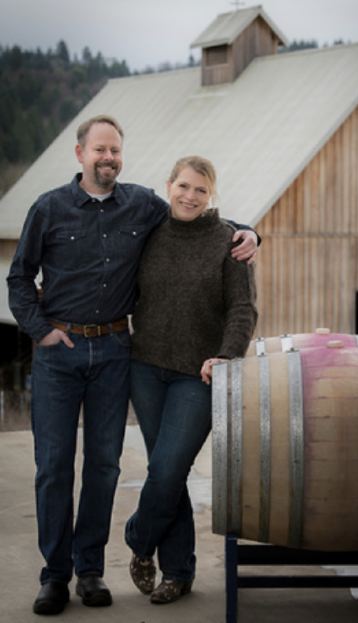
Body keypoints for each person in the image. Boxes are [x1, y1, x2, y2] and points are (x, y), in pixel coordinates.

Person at [7, 115, 259, 616]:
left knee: (106, 466)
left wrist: (251, 232)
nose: (108, 158)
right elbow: (19, 277)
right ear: (80, 153)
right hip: (63, 354)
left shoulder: (141, 205)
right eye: (99, 149)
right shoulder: (49, 208)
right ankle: (54, 576)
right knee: (53, 467)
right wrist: (41, 330)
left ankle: (90, 571)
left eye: (115, 150)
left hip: (116, 351)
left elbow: (203, 224)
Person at [124, 155, 257, 604]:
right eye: (183, 186)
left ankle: (139, 538)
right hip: (145, 368)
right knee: (169, 472)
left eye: (201, 189)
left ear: (211, 195)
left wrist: (226, 356)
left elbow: (243, 309)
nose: (190, 196)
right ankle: (178, 573)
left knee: (167, 469)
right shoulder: (150, 233)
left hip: (197, 375)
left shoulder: (229, 242)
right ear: (169, 185)